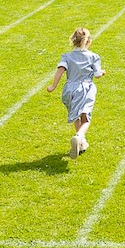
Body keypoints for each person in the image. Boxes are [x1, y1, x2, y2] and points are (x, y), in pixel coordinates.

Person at [46, 28, 106, 159]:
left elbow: (60, 71)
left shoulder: (66, 56)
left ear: (73, 41)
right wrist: (102, 72)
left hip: (69, 90)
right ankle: (79, 136)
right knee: (85, 117)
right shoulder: (94, 57)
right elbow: (97, 75)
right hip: (86, 89)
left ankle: (82, 144)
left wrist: (53, 86)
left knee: (76, 117)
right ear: (89, 41)